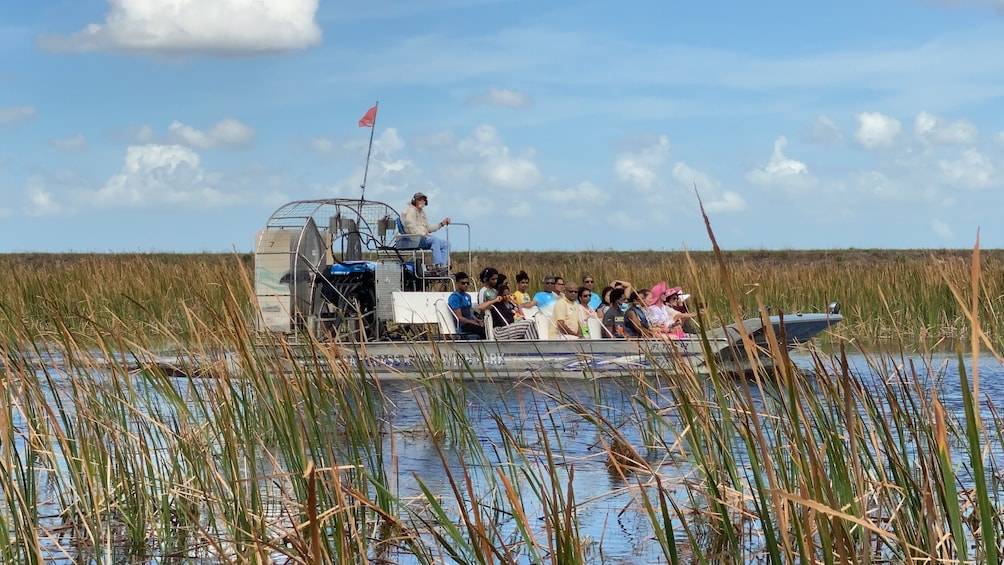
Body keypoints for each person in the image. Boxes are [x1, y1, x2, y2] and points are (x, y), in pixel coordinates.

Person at [399, 192, 451, 274]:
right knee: (434, 239)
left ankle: (443, 266)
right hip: (414, 238)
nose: (422, 201)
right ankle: (437, 265)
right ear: (414, 201)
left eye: (424, 200)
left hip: (424, 237)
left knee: (446, 244)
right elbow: (410, 227)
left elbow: (429, 228)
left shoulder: (422, 212)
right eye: (419, 199)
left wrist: (442, 223)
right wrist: (422, 235)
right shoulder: (409, 211)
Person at [447, 272, 485, 339]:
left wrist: (478, 320)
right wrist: (473, 322)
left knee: (486, 327)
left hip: (470, 322)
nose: (466, 285)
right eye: (463, 283)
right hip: (462, 325)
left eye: (467, 283)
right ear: (457, 283)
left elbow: (470, 313)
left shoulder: (468, 296)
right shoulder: (454, 297)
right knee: (481, 330)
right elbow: (459, 317)